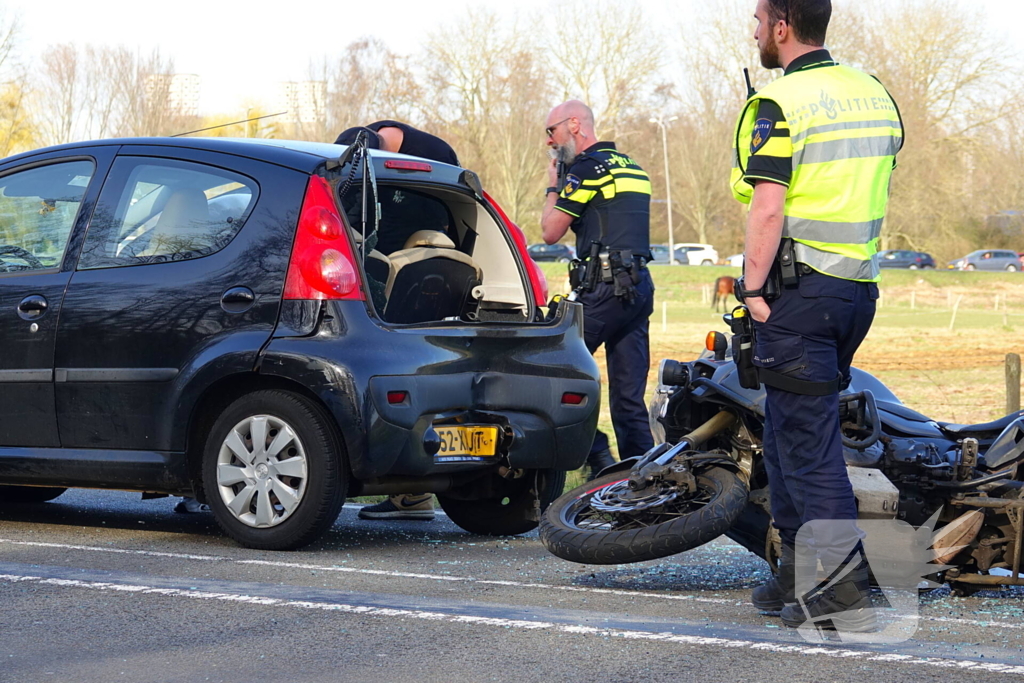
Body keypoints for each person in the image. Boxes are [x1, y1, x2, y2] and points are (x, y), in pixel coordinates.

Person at [732, 0, 902, 630]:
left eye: (757, 20)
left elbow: (767, 207)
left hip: (799, 296)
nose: (753, 31)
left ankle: (842, 589)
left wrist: (752, 290)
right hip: (855, 292)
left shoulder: (779, 104)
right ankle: (793, 577)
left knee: (808, 443)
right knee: (783, 428)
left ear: (781, 27)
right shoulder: (873, 92)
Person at [335, 121, 459, 522]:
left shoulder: (378, 164)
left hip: (388, 292)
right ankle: (414, 497)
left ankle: (406, 491)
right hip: (431, 289)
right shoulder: (436, 158)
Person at [540, 100, 655, 481]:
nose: (549, 143)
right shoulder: (633, 168)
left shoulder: (587, 170)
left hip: (604, 289)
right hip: (637, 290)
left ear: (574, 125)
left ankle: (599, 455)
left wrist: (553, 183)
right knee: (628, 398)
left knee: (553, 369)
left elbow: (550, 231)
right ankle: (645, 479)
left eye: (551, 132)